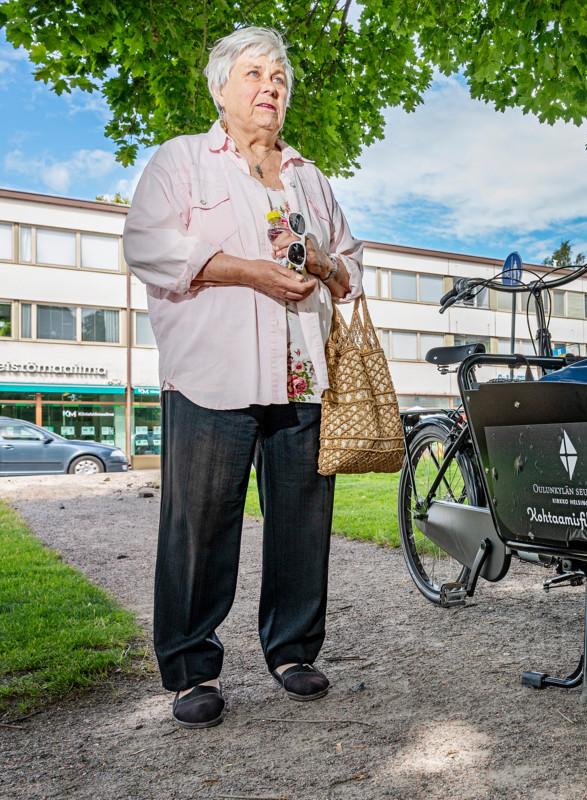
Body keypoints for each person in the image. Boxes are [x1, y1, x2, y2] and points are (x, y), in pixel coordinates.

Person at [124, 26, 363, 728]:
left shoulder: (310, 178)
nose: (270, 89)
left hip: (301, 378)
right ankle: (192, 668)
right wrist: (247, 270)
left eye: (280, 79)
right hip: (212, 377)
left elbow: (349, 271)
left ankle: (292, 650)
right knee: (199, 525)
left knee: (302, 523)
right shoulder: (182, 162)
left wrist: (316, 259)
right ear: (222, 88)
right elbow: (146, 243)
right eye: (255, 75)